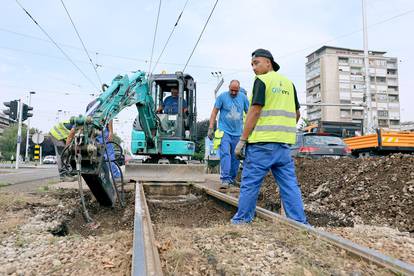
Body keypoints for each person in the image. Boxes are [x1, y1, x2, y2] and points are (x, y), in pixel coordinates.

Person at [231, 49, 307, 225]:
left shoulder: (262, 80)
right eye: (252, 64)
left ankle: (242, 220)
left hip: (261, 145)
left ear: (268, 63)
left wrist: (242, 139)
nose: (253, 67)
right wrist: (282, 131)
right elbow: (296, 114)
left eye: (256, 63)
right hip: (283, 146)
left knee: (250, 183)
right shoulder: (289, 83)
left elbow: (255, 111)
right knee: (289, 186)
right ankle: (300, 222)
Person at [208, 80, 249, 189]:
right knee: (226, 153)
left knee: (236, 156)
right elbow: (214, 112)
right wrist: (211, 127)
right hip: (224, 131)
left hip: (238, 133)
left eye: (236, 91)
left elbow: (249, 113)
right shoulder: (222, 97)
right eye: (232, 90)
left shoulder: (243, 98)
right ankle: (225, 179)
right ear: (228, 87)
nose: (234, 93)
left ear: (239, 89)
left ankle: (232, 179)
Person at [86, 99, 121, 179]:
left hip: (92, 133)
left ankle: (98, 175)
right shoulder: (106, 103)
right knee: (109, 156)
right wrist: (111, 132)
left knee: (95, 154)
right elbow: (109, 118)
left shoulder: (90, 104)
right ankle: (115, 175)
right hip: (102, 131)